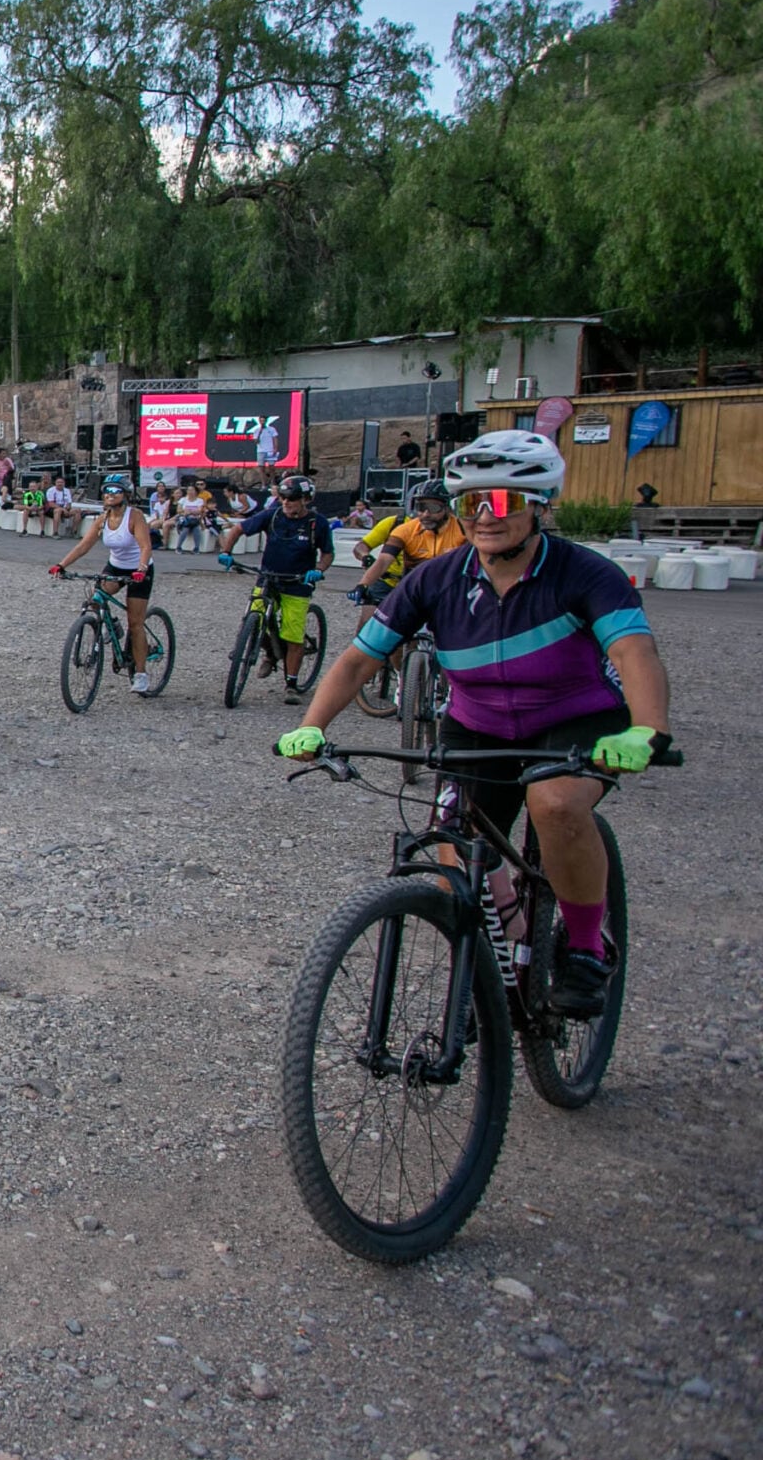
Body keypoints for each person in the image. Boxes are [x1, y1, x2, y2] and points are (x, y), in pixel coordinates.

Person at [279, 431, 672, 1019]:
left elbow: (634, 655)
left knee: (556, 804)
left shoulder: (585, 573)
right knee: (451, 847)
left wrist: (645, 731)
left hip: (575, 718)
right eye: (472, 504)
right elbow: (362, 657)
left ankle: (587, 947)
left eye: (506, 502)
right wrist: (310, 727)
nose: (486, 517)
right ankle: (511, 943)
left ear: (539, 504)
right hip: (478, 722)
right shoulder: (436, 579)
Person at [219, 473, 337, 703]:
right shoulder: (271, 516)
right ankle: (270, 652)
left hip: (298, 583)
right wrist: (226, 552)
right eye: (283, 497)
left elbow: (328, 553)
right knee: (252, 619)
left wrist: (319, 570)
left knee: (293, 636)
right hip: (268, 578)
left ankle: (291, 684)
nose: (286, 502)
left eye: (291, 498)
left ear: (305, 499)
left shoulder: (317, 523)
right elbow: (238, 529)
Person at [50, 473, 161, 694]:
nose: (109, 495)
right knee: (95, 599)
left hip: (139, 568)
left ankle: (140, 674)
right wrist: (61, 565)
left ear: (126, 494)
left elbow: (145, 545)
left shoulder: (135, 516)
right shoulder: (102, 519)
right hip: (116, 565)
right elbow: (84, 546)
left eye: (115, 491)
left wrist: (141, 568)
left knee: (136, 622)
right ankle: (114, 627)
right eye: (107, 491)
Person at [348, 480, 466, 634]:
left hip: (445, 587)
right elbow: (383, 560)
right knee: (379, 632)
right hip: (399, 583)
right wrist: (362, 585)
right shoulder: (402, 528)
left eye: (433, 508)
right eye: (420, 508)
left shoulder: (462, 529)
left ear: (448, 508)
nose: (425, 514)